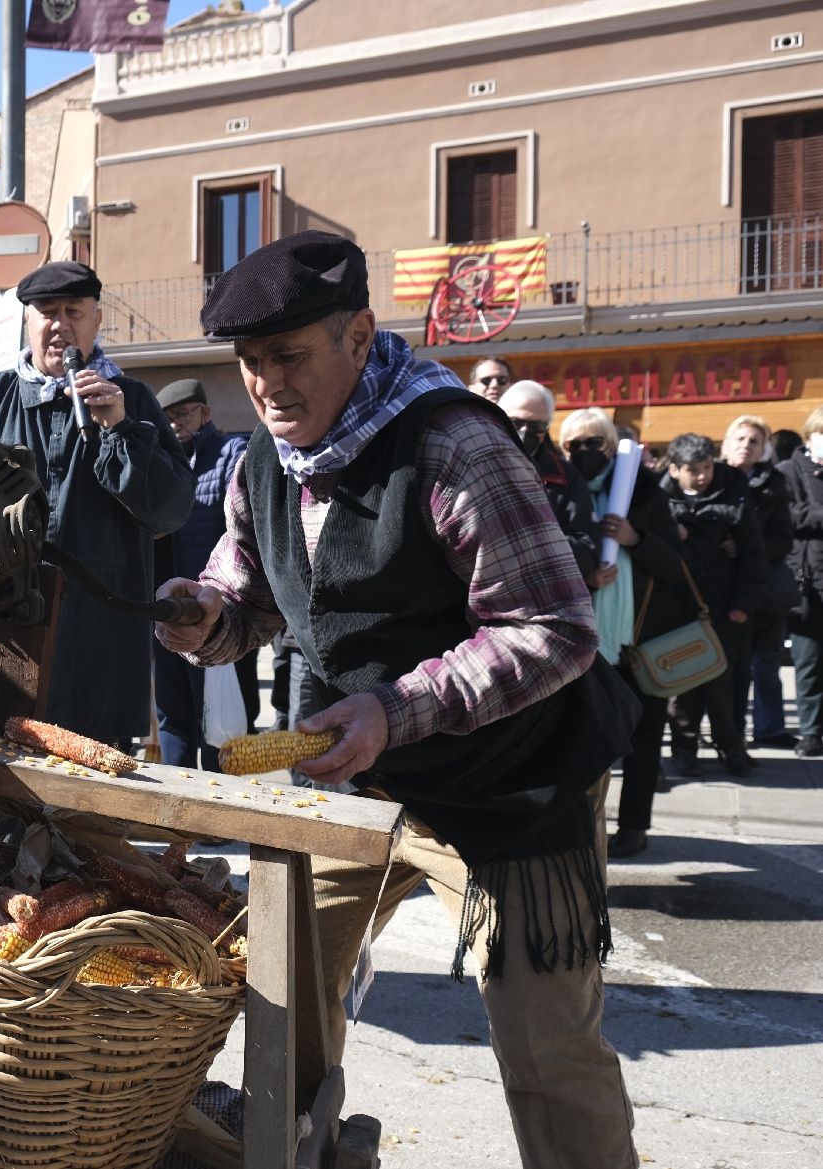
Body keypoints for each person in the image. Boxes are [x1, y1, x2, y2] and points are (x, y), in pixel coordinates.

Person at [157, 231, 640, 1169]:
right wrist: (204, 615)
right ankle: (312, 1151)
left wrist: (395, 708)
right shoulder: (268, 461)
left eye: (289, 357)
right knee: (284, 987)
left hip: (515, 789)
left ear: (361, 335)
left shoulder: (453, 443)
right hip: (365, 779)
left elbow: (553, 628)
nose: (266, 383)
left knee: (545, 1047)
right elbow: (247, 589)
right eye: (249, 363)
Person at [0, 260, 194, 744]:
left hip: (96, 642)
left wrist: (118, 432)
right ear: (28, 324)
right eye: (47, 312)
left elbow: (170, 510)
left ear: (97, 321)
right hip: (0, 635)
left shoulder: (134, 401)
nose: (60, 324)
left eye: (74, 311)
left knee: (82, 808)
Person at [558, 409, 688, 860]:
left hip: (637, 638)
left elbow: (675, 564)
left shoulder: (646, 489)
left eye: (593, 442)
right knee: (575, 737)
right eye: (573, 443)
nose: (583, 452)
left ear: (612, 446)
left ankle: (633, 826)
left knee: (646, 735)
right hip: (574, 638)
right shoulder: (556, 486)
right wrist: (585, 574)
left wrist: (635, 538)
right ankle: (576, 826)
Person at [151, 378, 249, 768]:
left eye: (183, 414)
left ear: (205, 413)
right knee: (173, 712)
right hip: (167, 608)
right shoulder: (164, 460)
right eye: (167, 418)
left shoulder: (231, 454)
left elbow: (241, 530)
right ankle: (178, 812)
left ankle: (218, 810)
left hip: (214, 611)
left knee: (217, 718)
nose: (175, 424)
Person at [659, 433, 763, 778]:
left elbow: (752, 556)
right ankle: (684, 749)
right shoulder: (659, 501)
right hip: (676, 609)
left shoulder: (733, 497)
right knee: (682, 685)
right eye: (693, 470)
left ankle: (730, 746)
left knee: (722, 683)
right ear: (674, 470)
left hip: (722, 607)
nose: (703, 476)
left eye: (707, 467)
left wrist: (744, 604)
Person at [721, 415, 795, 748]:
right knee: (726, 668)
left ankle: (768, 729)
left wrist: (750, 548)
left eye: (754, 441)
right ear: (726, 443)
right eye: (740, 439)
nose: (746, 446)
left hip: (763, 588)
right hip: (720, 587)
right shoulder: (714, 476)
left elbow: (784, 537)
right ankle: (726, 732)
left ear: (764, 448)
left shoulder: (775, 483)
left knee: (766, 664)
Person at [497, 379, 604, 585]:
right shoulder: (472, 464)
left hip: (543, 599)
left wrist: (531, 545)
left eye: (536, 426)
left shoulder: (565, 476)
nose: (523, 432)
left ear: (546, 428)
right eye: (515, 422)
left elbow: (589, 548)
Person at [779, 407, 823, 758]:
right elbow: (788, 516)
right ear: (811, 436)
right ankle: (810, 732)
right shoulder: (788, 472)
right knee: (808, 663)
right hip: (806, 584)